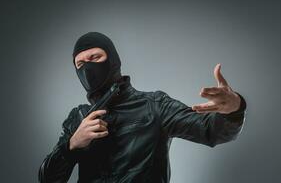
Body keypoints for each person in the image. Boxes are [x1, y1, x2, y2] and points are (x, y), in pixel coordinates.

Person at [38, 32, 247, 183]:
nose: (88, 68)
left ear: (112, 60)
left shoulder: (155, 105)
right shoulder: (79, 117)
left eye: (95, 57)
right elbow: (47, 179)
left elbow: (210, 131)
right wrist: (72, 145)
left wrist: (234, 108)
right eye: (80, 64)